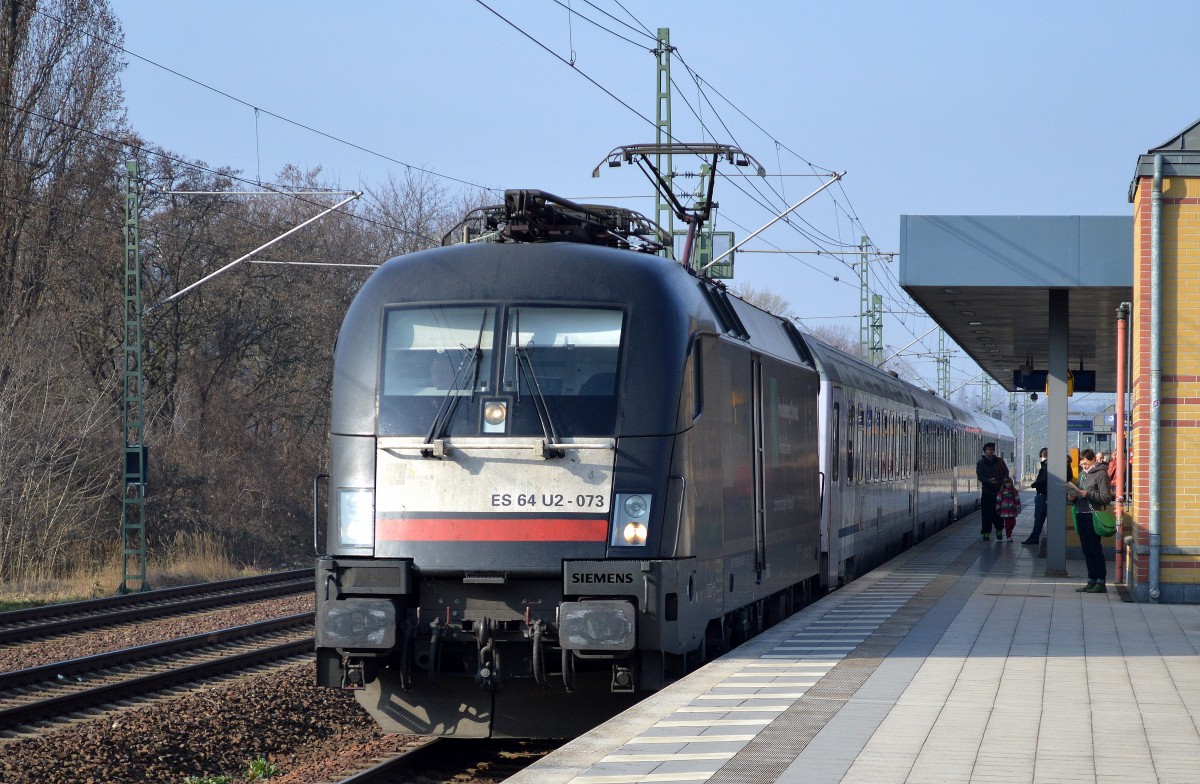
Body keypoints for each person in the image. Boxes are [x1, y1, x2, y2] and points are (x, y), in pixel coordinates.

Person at [1070, 448, 1114, 593]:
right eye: (1082, 464)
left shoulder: (1101, 474)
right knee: (1086, 549)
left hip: (1093, 514)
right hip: (1080, 512)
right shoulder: (1082, 474)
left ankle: (1100, 581)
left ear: (1093, 460)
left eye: (1086, 464)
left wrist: (1087, 494)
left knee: (1095, 548)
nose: (1084, 466)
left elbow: (1106, 498)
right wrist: (1073, 497)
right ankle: (1091, 579)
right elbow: (1079, 494)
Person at [976, 442, 1005, 541]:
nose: (990, 451)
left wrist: (1002, 483)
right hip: (986, 492)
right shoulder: (981, 463)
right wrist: (988, 481)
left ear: (994, 451)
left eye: (991, 449)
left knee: (998, 513)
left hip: (998, 492)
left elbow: (1005, 473)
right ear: (985, 451)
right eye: (988, 449)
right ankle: (986, 532)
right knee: (986, 513)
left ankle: (999, 530)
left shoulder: (999, 462)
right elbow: (980, 476)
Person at [1022, 447, 1048, 544]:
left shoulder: (1046, 466)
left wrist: (1035, 484)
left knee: (1038, 518)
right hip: (1046, 494)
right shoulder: (1050, 466)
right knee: (1040, 518)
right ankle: (1034, 537)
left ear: (1042, 456)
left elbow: (1044, 479)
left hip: (1042, 494)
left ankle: (1034, 537)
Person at [996, 475, 1022, 541]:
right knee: (1007, 524)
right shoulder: (1001, 491)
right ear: (1004, 484)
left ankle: (1009, 532)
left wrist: (1018, 508)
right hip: (1004, 511)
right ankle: (1009, 536)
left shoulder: (1014, 491)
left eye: (1009, 483)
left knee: (1013, 523)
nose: (1008, 484)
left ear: (1011, 483)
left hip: (1012, 510)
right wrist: (998, 508)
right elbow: (998, 500)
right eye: (1006, 483)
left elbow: (1017, 500)